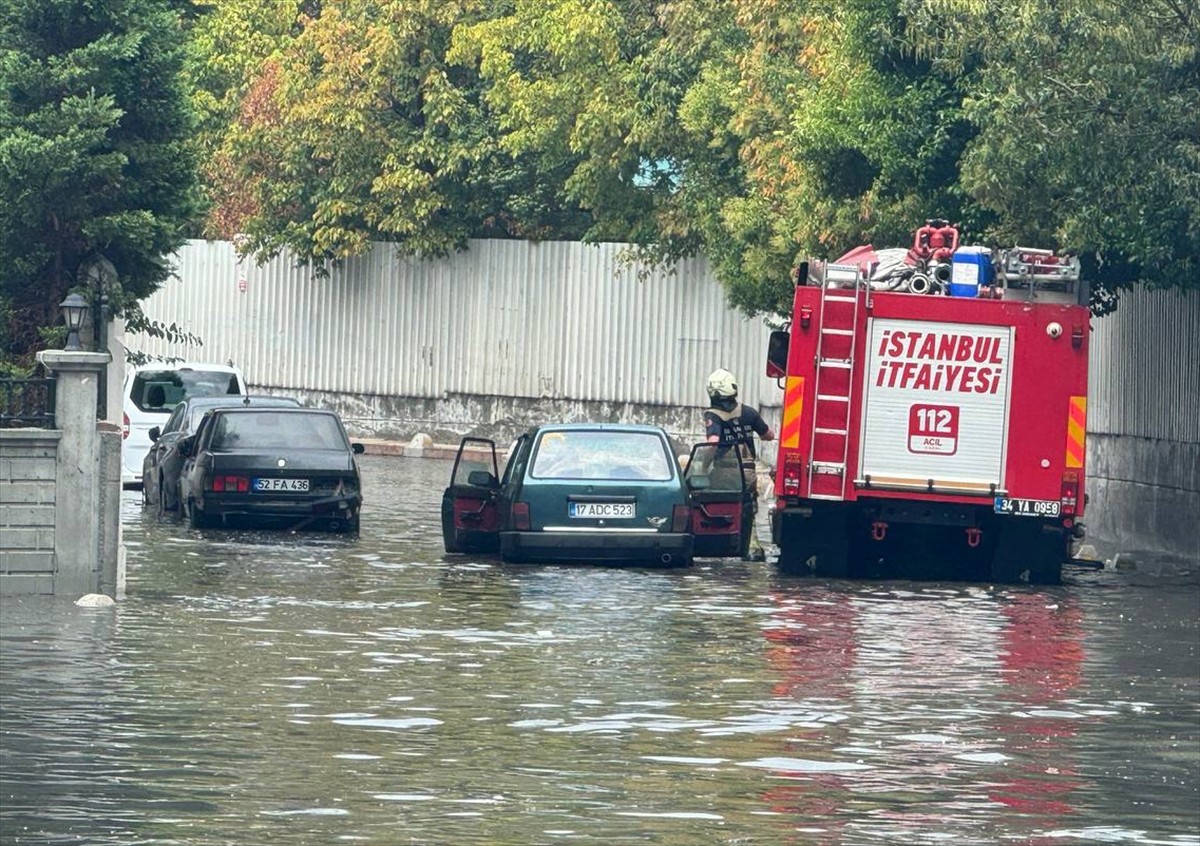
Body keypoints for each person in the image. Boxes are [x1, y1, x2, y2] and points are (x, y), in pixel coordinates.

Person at [702, 368, 776, 561]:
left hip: (724, 473)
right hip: (748, 473)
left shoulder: (712, 415)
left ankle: (721, 543)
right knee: (749, 506)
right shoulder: (749, 412)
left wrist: (701, 467)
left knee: (720, 504)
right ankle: (752, 548)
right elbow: (769, 435)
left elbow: (713, 443)